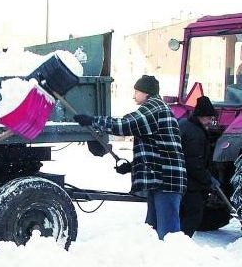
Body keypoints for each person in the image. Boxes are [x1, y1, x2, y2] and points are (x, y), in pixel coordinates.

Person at [74, 75, 187, 240]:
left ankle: (174, 263)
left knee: (168, 235)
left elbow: (125, 125)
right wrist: (133, 166)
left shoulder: (154, 108)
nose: (134, 96)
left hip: (166, 181)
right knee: (153, 231)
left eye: (136, 91)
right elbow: (157, 149)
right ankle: (158, 262)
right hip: (161, 178)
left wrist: (92, 120)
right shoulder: (157, 109)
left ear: (146, 92)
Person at [179, 96, 218, 237]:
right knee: (193, 216)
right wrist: (208, 180)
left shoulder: (184, 125)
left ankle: (176, 243)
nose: (210, 122)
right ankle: (180, 244)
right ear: (202, 116)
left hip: (182, 182)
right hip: (191, 185)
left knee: (182, 215)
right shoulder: (196, 134)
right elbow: (194, 164)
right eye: (209, 118)